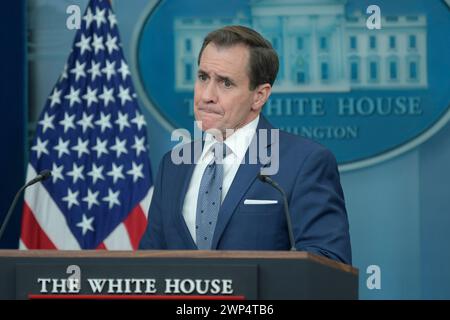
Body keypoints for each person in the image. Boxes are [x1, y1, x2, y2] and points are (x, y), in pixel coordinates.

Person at [139, 25, 352, 265]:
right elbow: (149, 263)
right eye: (203, 77)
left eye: (226, 83)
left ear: (259, 96)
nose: (207, 95)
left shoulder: (304, 162)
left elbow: (327, 265)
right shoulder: (173, 164)